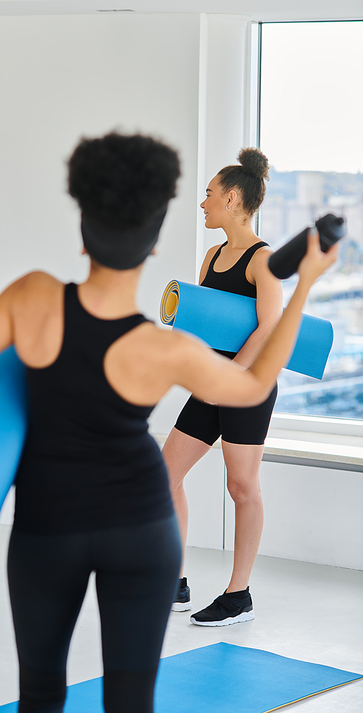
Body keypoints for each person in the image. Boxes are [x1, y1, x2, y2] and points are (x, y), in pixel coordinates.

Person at [0, 133, 335, 713]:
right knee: (129, 696)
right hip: (140, 527)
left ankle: (237, 591)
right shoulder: (163, 350)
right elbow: (248, 380)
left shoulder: (31, 296)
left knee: (39, 690)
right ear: (151, 245)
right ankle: (189, 583)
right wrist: (309, 286)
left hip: (49, 518)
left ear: (84, 223)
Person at [165, 147, 284, 626]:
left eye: (209, 195)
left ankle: (239, 595)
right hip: (211, 381)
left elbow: (269, 327)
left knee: (241, 485)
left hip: (247, 384)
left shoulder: (264, 260)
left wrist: (232, 375)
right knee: (164, 474)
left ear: (233, 198)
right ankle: (173, 582)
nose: (203, 204)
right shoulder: (213, 256)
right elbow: (202, 324)